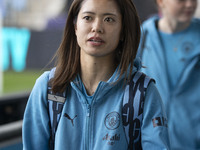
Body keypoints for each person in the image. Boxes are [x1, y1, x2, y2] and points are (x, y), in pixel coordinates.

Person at [22, 0, 170, 149]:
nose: (97, 27)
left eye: (109, 19)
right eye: (88, 18)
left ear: (123, 31)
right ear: (75, 26)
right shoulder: (47, 88)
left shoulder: (143, 94)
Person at [137, 0, 200, 149]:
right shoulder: (141, 37)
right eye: (182, 0)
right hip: (152, 143)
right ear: (161, 1)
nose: (190, 5)